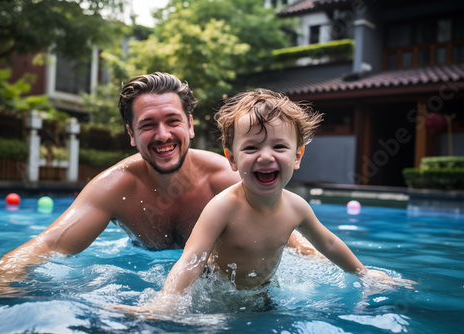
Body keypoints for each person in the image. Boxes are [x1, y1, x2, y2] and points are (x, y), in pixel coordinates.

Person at [0, 73, 315, 295]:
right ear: (132, 135)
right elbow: (46, 246)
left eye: (172, 121)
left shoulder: (225, 180)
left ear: (190, 126)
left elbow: (293, 240)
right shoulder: (113, 189)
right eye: (148, 125)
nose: (163, 135)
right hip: (138, 272)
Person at [111, 88, 414, 315]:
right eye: (252, 146)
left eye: (279, 146)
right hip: (216, 295)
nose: (266, 156)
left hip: (263, 293)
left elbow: (329, 244)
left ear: (297, 156)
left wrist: (364, 274)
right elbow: (191, 260)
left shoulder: (297, 207)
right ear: (232, 158)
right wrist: (166, 302)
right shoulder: (222, 207)